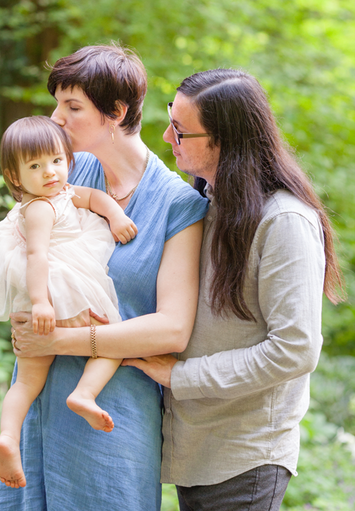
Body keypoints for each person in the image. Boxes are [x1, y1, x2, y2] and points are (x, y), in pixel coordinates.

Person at [0, 44, 209, 511]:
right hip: (40, 400)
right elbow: (18, 245)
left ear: (116, 112)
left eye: (72, 107)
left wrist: (56, 342)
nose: (57, 118)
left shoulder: (177, 205)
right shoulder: (62, 173)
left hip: (112, 413)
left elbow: (172, 329)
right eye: (57, 104)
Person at [123, 68, 345, 511]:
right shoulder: (207, 201)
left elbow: (296, 349)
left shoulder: (283, 220)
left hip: (245, 456)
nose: (167, 136)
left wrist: (179, 376)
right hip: (197, 448)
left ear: (224, 139)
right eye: (171, 118)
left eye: (182, 131)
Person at [0, 115, 138, 488]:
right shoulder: (39, 209)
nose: (49, 172)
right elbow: (36, 256)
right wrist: (41, 302)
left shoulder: (63, 192)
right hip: (59, 294)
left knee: (27, 382)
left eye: (56, 160)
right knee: (111, 341)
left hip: (47, 301)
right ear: (15, 177)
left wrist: (114, 214)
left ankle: (8, 435)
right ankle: (84, 393)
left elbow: (95, 197)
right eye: (35, 166)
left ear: (68, 160)